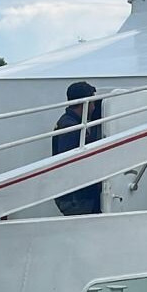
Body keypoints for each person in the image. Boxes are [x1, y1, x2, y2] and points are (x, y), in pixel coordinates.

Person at [52, 81, 102, 215]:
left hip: (74, 196)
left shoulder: (67, 122)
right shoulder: (71, 127)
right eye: (92, 102)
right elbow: (71, 163)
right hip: (76, 199)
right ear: (85, 102)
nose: (93, 107)